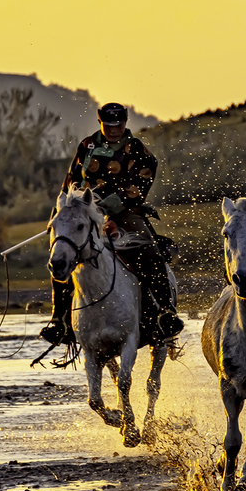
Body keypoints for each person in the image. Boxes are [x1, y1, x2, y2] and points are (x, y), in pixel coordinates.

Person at [40, 102, 184, 347]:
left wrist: (108, 207)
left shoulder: (137, 149)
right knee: (61, 255)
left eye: (118, 124)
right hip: (84, 214)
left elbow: (140, 184)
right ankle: (59, 321)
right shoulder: (87, 146)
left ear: (125, 122)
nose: (114, 129)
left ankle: (165, 313)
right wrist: (61, 215)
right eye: (109, 125)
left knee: (149, 251)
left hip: (126, 212)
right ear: (100, 122)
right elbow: (70, 183)